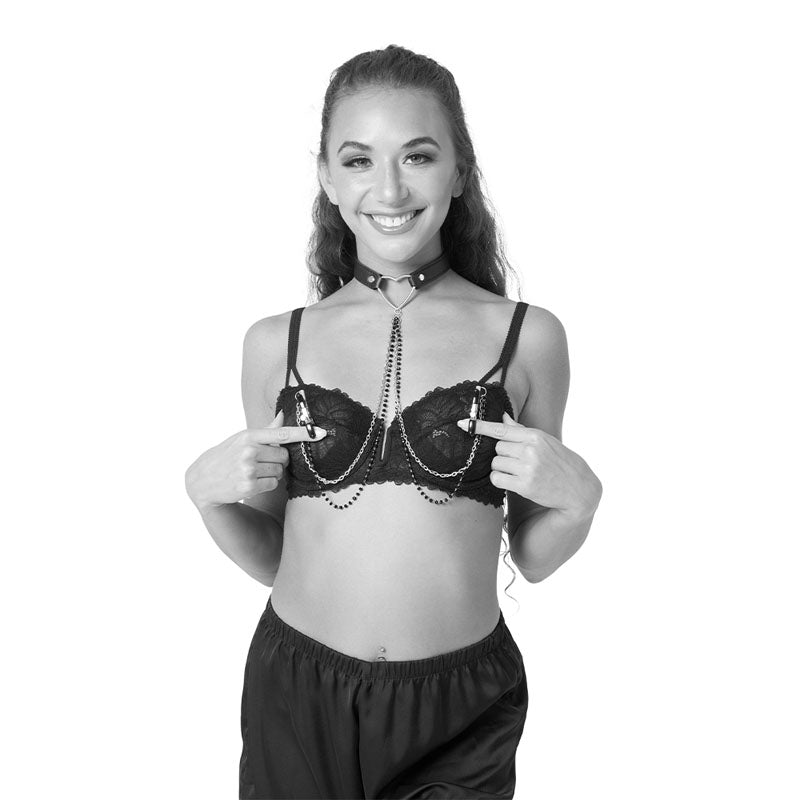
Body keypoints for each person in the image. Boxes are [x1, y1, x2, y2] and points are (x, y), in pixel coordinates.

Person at [185, 44, 602, 800]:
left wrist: (580, 503)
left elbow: (533, 556)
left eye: (417, 156)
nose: (389, 189)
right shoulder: (275, 344)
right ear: (326, 177)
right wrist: (206, 497)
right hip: (297, 690)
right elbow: (277, 556)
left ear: (459, 170)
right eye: (358, 160)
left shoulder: (527, 336)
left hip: (461, 708)